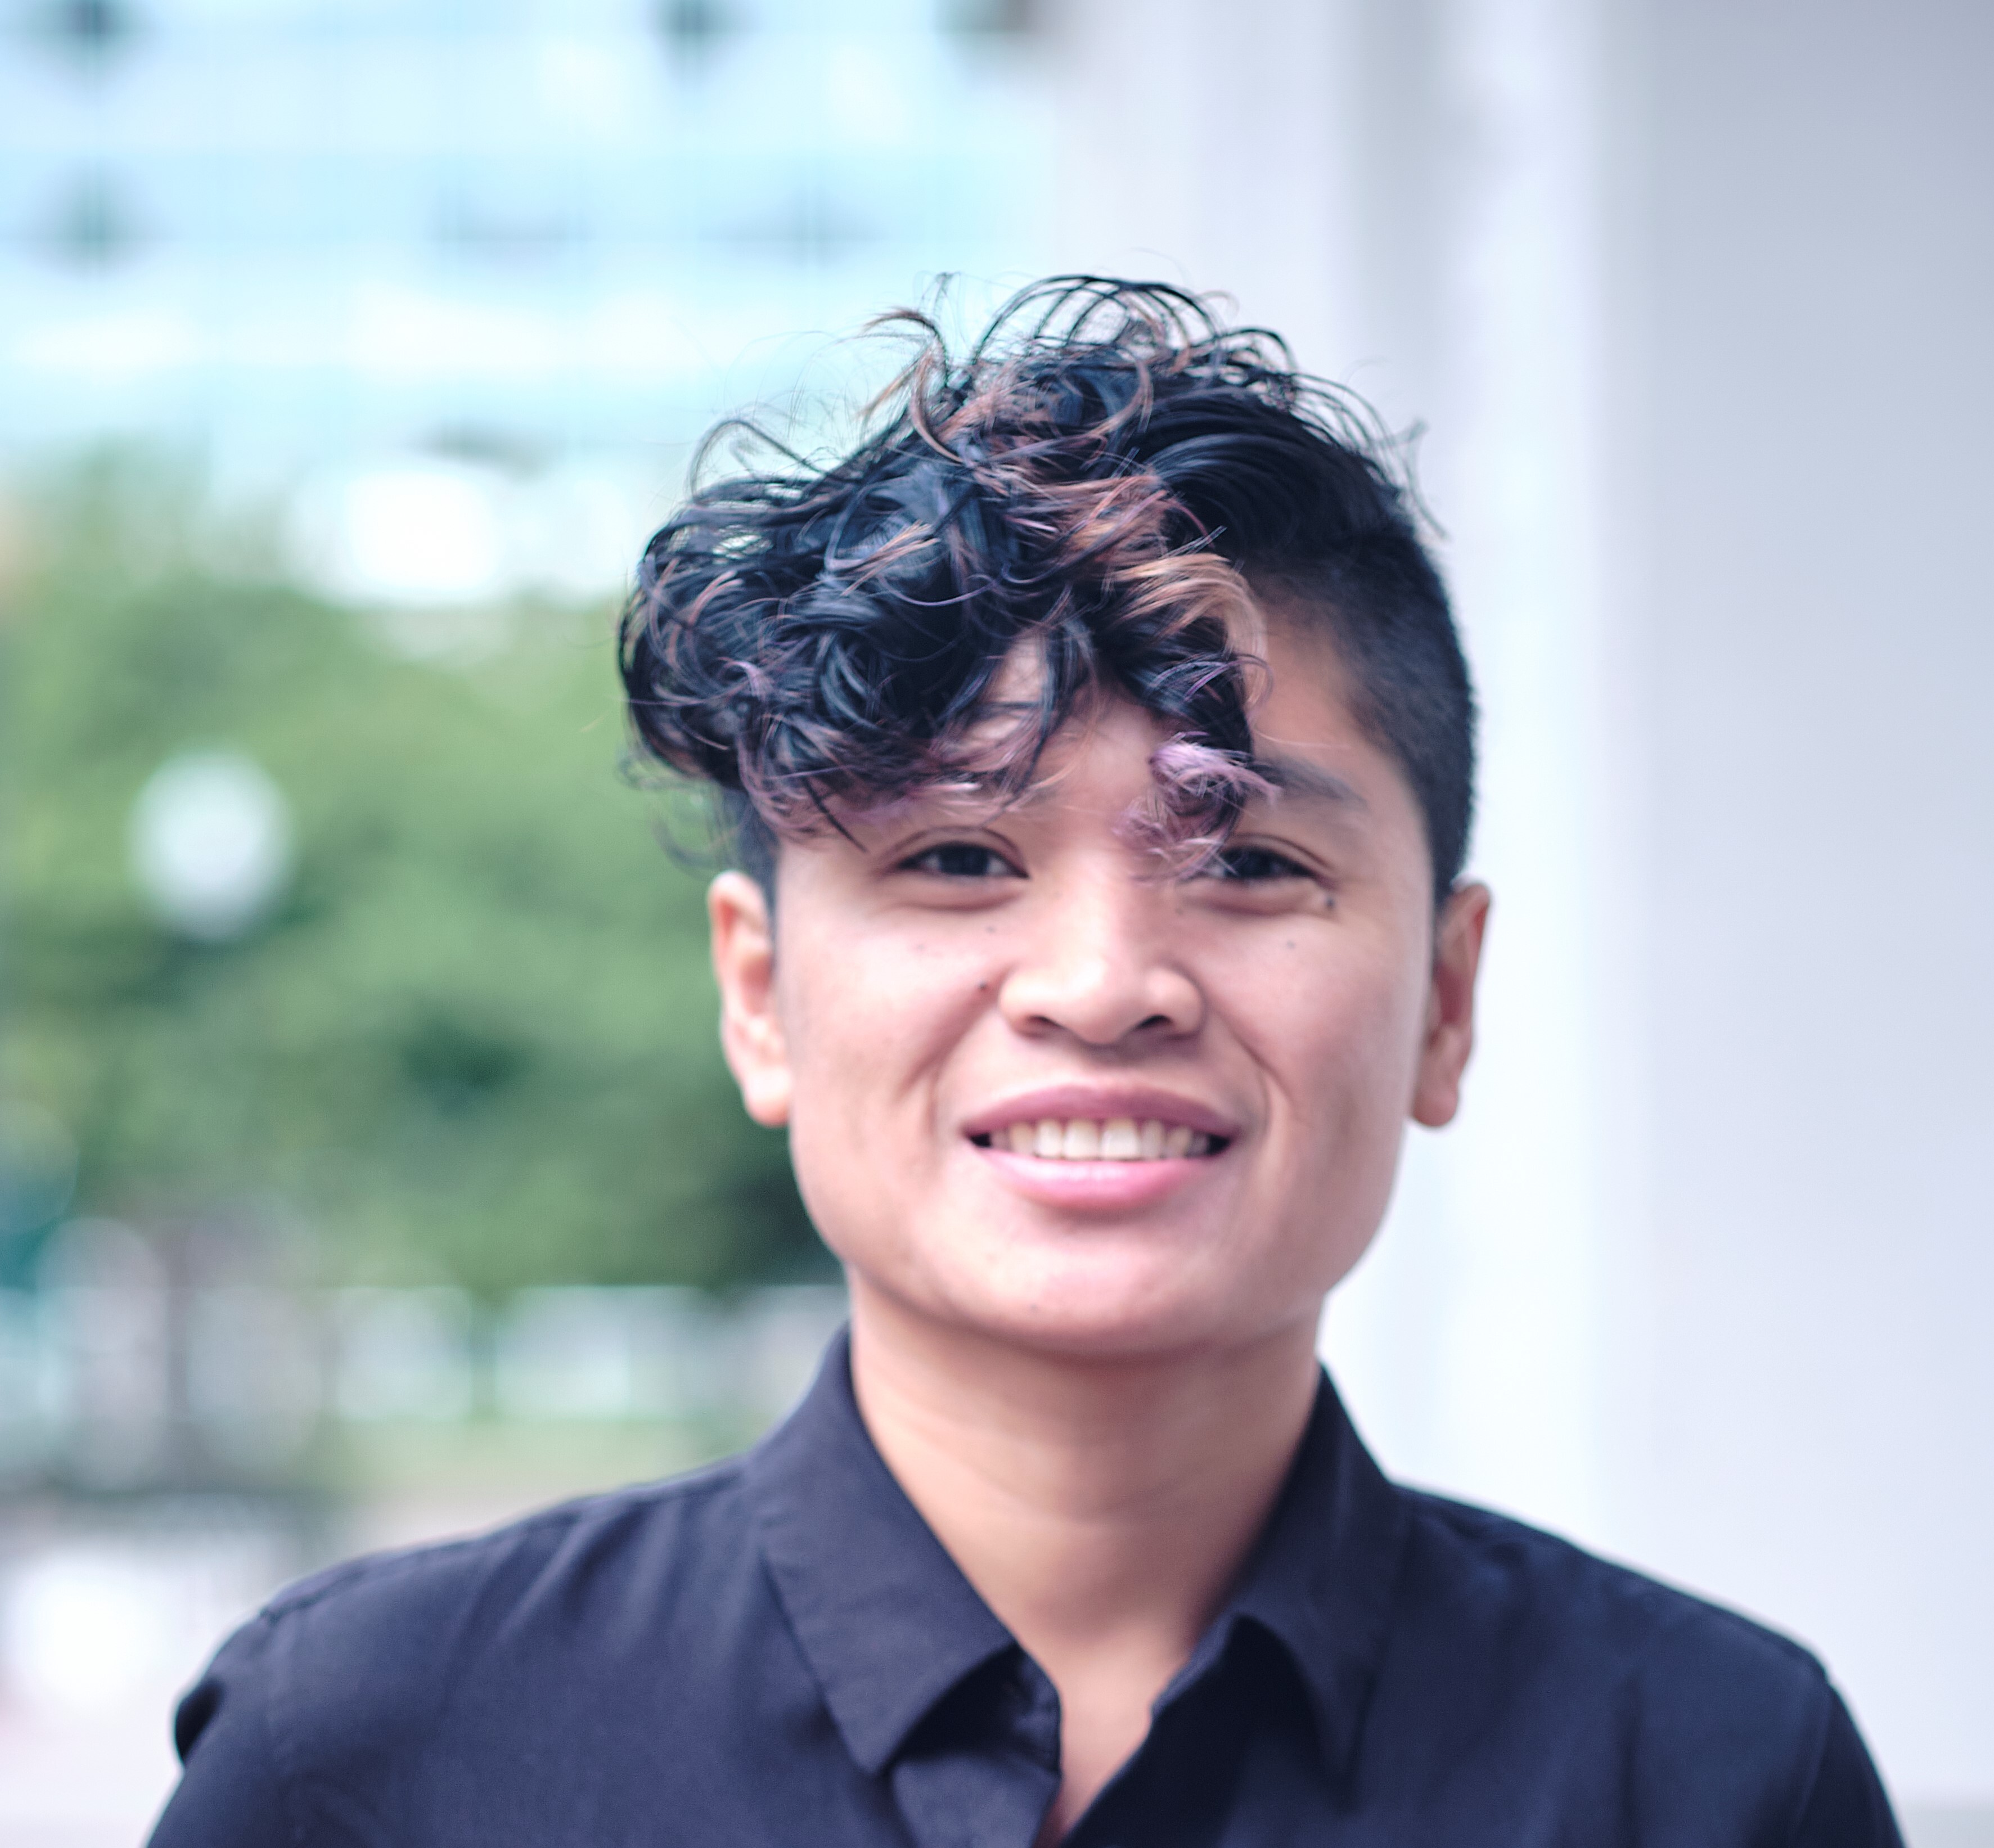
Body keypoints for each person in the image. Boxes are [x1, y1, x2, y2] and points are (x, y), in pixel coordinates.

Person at [149, 279, 1902, 1846]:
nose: (1100, 986)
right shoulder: (372, 1761)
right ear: (759, 997)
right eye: (956, 858)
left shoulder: (1710, 1779)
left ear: (1444, 1003)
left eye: (1246, 862)